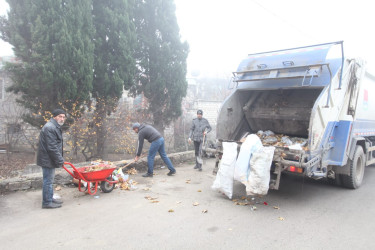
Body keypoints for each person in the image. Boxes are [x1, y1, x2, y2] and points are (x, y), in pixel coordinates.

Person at [37, 109, 66, 209]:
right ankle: (47, 202)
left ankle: (50, 199)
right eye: (60, 116)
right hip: (47, 159)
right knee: (48, 181)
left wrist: (59, 159)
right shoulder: (50, 128)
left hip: (49, 158)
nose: (62, 118)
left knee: (49, 181)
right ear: (54, 117)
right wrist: (60, 160)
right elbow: (52, 147)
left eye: (63, 117)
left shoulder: (54, 126)